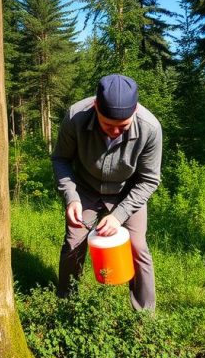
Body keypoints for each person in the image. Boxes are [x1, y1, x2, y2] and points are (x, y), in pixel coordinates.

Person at [51, 74, 163, 311]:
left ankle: (145, 318)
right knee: (73, 244)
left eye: (123, 126)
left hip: (128, 191)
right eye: (107, 124)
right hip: (84, 188)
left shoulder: (150, 128)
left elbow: (149, 180)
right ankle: (66, 306)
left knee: (137, 247)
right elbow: (61, 159)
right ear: (95, 107)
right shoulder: (75, 117)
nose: (114, 132)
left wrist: (119, 215)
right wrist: (71, 197)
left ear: (135, 111)